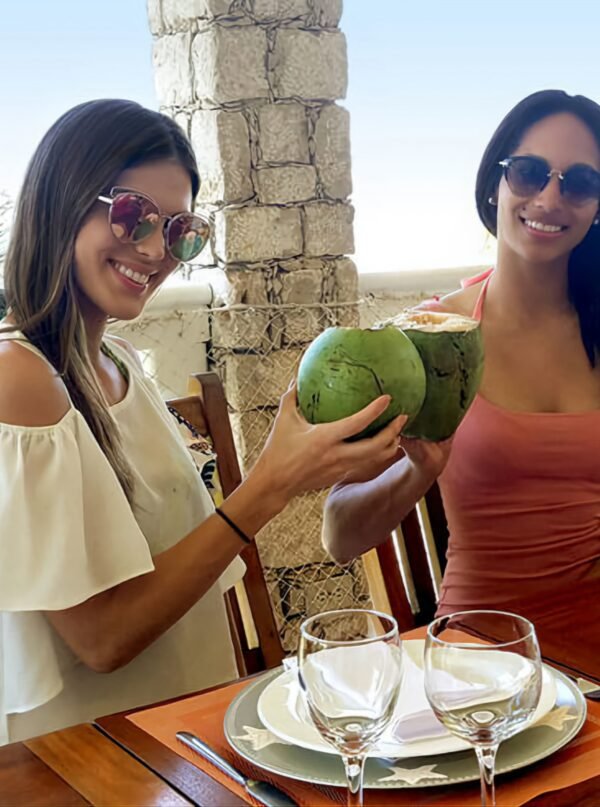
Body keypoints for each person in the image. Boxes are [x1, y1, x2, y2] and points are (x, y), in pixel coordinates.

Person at [0, 99, 405, 745]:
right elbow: (101, 638)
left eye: (182, 230)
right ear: (63, 199)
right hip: (92, 762)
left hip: (184, 734)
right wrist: (269, 485)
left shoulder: (119, 360)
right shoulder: (16, 377)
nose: (157, 249)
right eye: (134, 214)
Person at [323, 89, 600, 617]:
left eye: (581, 182)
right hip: (479, 650)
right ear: (495, 185)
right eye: (528, 172)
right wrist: (417, 472)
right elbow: (339, 536)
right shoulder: (427, 340)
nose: (548, 198)